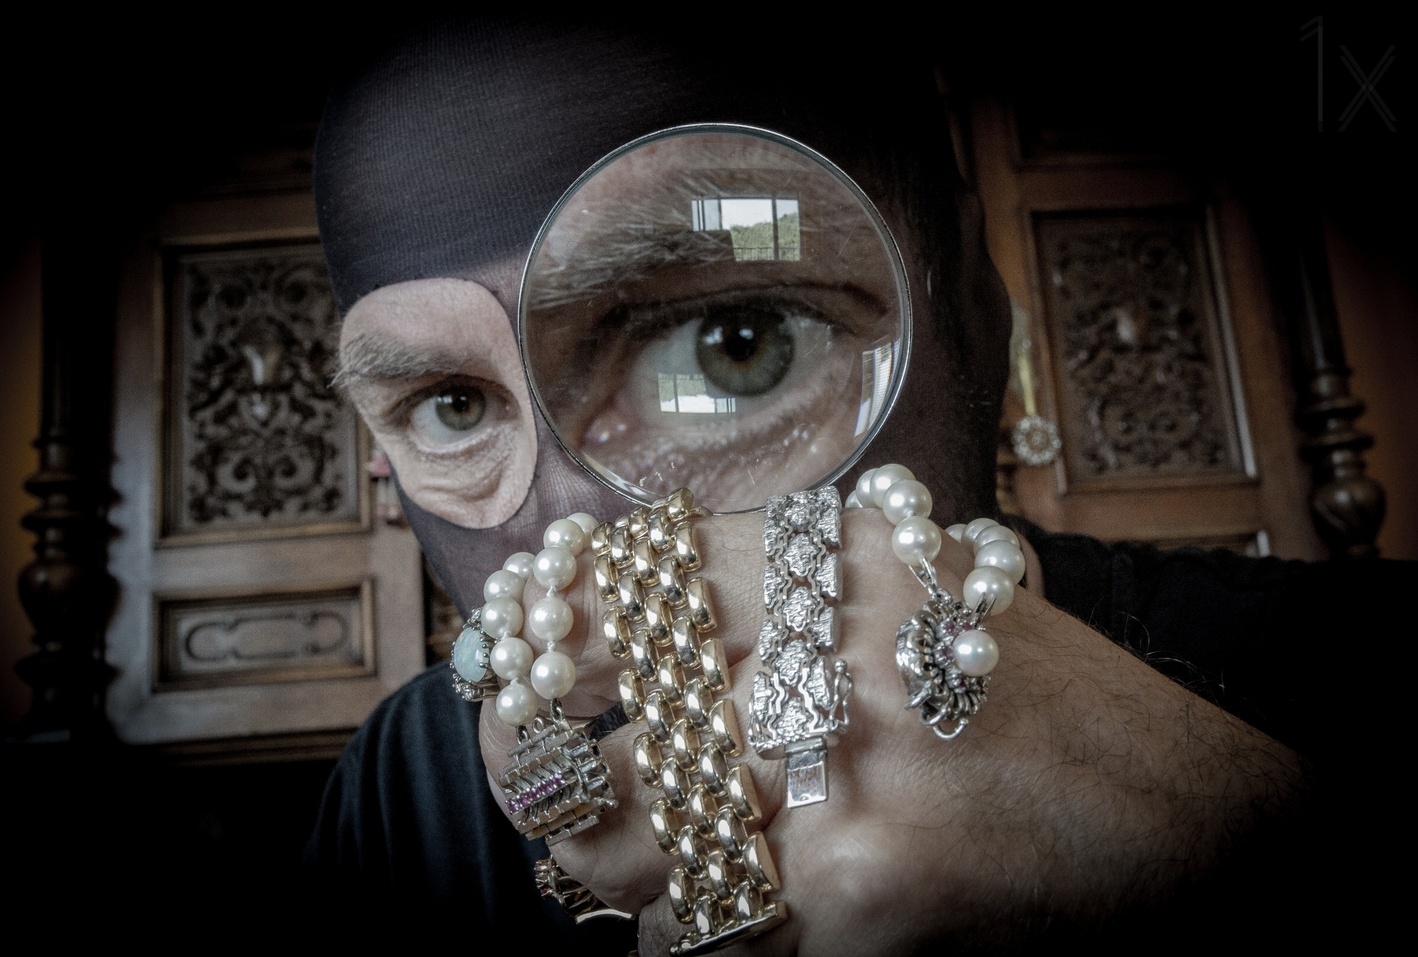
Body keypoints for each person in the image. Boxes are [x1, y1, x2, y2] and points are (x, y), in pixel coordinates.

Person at [303, 18, 1409, 954]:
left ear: (974, 313)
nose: (577, 529)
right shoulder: (402, 792)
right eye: (454, 405)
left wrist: (1227, 849)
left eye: (737, 343)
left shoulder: (1363, 669)